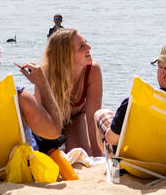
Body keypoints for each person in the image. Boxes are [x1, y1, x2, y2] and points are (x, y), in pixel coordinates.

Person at [16, 27, 104, 157]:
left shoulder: (92, 71)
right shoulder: (45, 74)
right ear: (66, 55)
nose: (89, 47)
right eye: (81, 46)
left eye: (86, 42)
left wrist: (99, 159)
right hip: (50, 123)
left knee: (83, 155)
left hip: (74, 119)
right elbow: (40, 119)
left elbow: (92, 118)